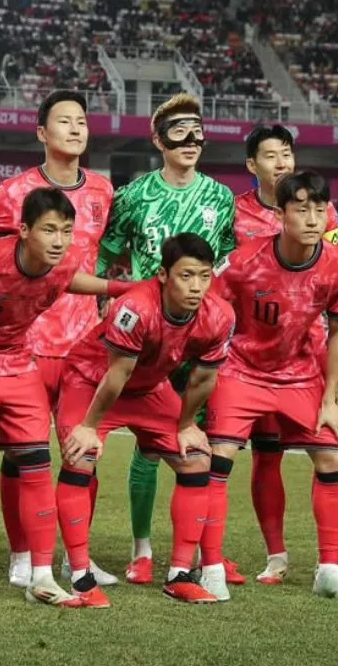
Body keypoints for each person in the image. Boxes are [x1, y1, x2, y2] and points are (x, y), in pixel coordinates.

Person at [0, 188, 133, 611]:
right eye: (49, 230)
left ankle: (41, 576)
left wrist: (121, 286)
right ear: (24, 230)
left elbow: (68, 280)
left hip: (16, 361)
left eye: (66, 230)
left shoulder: (66, 262)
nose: (59, 240)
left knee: (38, 467)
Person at [94, 93, 236, 585]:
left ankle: (200, 552)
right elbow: (104, 257)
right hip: (146, 337)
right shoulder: (133, 196)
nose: (192, 140)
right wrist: (103, 309)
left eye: (198, 130)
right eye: (179, 131)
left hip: (200, 337)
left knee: (199, 440)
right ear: (158, 140)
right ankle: (142, 550)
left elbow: (229, 265)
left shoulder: (221, 198)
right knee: (149, 448)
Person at [201, 171, 338, 602]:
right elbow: (210, 310)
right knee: (218, 459)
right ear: (280, 213)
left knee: (331, 458)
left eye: (319, 208)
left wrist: (329, 399)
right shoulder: (242, 262)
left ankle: (328, 569)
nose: (311, 218)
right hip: (242, 370)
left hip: (299, 374)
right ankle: (211, 567)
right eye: (300, 208)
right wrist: (208, 370)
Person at [0, 90, 116, 588]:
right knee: (22, 454)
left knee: (84, 451)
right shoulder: (14, 193)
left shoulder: (103, 192)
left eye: (82, 120)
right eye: (64, 121)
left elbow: (108, 258)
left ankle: (76, 557)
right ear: (41, 132)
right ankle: (22, 555)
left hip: (85, 346)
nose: (76, 128)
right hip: (26, 345)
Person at [58, 234, 235, 607]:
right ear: (162, 275)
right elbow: (116, 375)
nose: (196, 286)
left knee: (197, 460)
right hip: (94, 380)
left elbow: (204, 378)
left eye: (204, 276)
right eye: (186, 276)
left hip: (149, 387)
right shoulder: (135, 307)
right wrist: (89, 427)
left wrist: (187, 423)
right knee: (80, 457)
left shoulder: (219, 315)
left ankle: (180, 574)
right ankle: (79, 576)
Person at [233, 124, 338, 587]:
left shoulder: (325, 215)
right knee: (265, 455)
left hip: (315, 353)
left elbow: (337, 278)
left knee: (329, 452)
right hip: (258, 355)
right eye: (270, 155)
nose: (281, 162)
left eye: (286, 154)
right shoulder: (237, 216)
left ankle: (334, 557)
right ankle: (276, 555)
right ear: (253, 165)